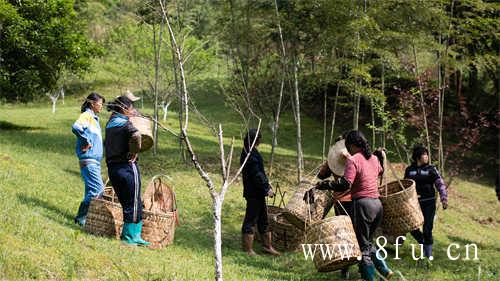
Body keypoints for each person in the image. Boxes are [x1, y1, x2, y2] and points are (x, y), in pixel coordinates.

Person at [305, 130, 393, 281]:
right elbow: (379, 172)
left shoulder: (354, 160)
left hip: (363, 205)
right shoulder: (373, 158)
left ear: (352, 145)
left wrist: (326, 185)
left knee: (362, 245)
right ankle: (384, 269)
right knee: (367, 241)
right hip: (377, 205)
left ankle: (370, 278)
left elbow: (345, 184)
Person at [105, 95, 149, 246]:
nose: (132, 111)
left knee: (126, 202)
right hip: (127, 166)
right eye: (130, 108)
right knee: (135, 201)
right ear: (124, 109)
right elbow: (136, 135)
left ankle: (131, 235)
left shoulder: (110, 123)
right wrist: (135, 151)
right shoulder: (125, 123)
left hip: (112, 168)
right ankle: (131, 237)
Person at [240, 128, 280, 256]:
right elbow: (257, 174)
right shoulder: (249, 154)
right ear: (255, 140)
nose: (260, 141)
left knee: (263, 219)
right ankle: (248, 250)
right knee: (250, 220)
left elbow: (259, 173)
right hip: (253, 193)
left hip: (257, 192)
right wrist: (266, 188)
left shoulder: (250, 151)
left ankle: (267, 247)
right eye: (259, 139)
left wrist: (267, 185)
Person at [404, 145, 448, 260]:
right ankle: (422, 241)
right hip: (414, 204)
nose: (427, 156)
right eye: (425, 154)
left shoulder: (431, 169)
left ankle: (428, 257)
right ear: (418, 157)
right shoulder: (409, 170)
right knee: (410, 226)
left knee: (427, 229)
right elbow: (405, 186)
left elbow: (440, 183)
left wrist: (444, 197)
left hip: (429, 203)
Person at [72, 92, 106, 226]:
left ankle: (86, 219)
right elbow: (76, 127)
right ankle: (81, 217)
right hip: (89, 160)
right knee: (98, 190)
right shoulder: (87, 116)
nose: (101, 106)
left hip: (95, 162)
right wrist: (86, 141)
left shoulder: (94, 119)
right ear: (92, 103)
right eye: (100, 103)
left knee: (90, 191)